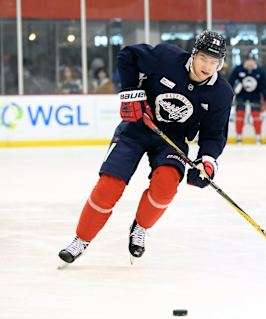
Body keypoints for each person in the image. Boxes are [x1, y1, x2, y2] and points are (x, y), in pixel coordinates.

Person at [58, 30, 234, 265]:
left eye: (214, 62)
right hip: (138, 127)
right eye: (203, 58)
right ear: (193, 54)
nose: (207, 67)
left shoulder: (221, 93)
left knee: (166, 185)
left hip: (173, 138)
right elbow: (127, 56)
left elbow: (214, 134)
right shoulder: (166, 57)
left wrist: (207, 160)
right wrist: (131, 93)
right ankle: (81, 240)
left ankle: (140, 227)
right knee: (110, 185)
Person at [228, 54, 266, 144]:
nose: (250, 63)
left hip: (255, 96)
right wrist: (231, 95)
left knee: (256, 115)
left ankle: (258, 137)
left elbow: (264, 86)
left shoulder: (259, 71)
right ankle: (239, 138)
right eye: (248, 61)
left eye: (252, 61)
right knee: (240, 115)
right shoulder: (238, 69)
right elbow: (230, 83)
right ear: (245, 61)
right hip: (241, 96)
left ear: (254, 62)